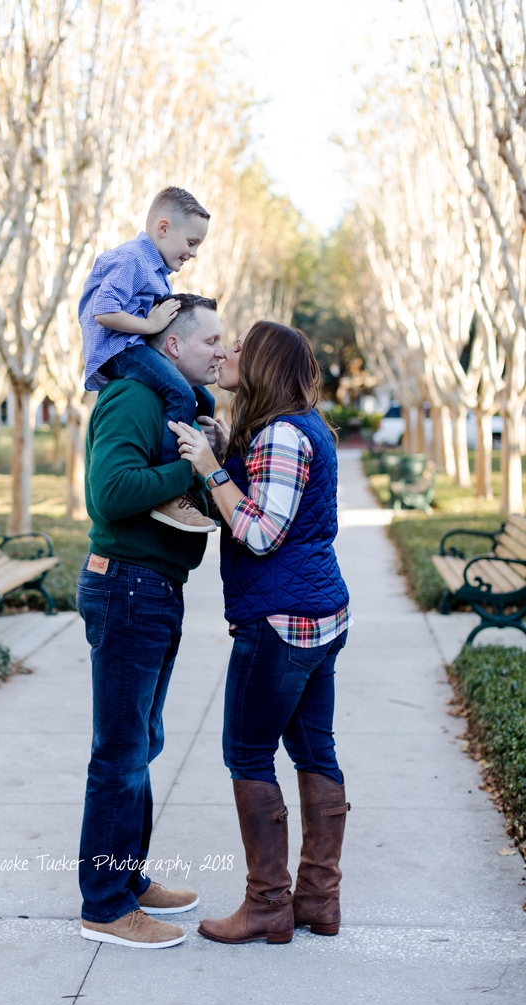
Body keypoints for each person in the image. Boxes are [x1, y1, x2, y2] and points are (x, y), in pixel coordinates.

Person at [169, 321, 352, 946]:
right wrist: (225, 454)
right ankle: (319, 902)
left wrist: (211, 471)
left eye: (240, 346)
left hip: (280, 624)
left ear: (266, 363)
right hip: (317, 615)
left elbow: (259, 533)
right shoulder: (305, 429)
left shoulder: (280, 435)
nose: (226, 351)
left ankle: (268, 905)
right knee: (314, 751)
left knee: (247, 755)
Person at [76, 294, 226, 949]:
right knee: (120, 752)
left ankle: (127, 877)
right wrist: (187, 466)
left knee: (142, 743)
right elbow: (108, 492)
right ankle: (106, 905)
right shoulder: (135, 398)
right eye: (210, 340)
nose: (221, 351)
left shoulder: (181, 406)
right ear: (172, 346)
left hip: (154, 588)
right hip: (128, 588)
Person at [78, 186, 215, 533]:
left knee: (204, 398)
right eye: (192, 242)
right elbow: (104, 311)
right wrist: (151, 324)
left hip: (134, 346)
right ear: (163, 228)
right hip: (118, 350)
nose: (193, 253)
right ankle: (173, 492)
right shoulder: (132, 260)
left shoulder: (155, 270)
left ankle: (198, 460)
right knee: (181, 394)